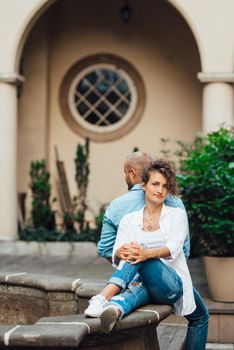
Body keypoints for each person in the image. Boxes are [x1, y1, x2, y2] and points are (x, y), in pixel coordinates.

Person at [86, 156, 209, 350]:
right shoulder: (129, 219)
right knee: (137, 280)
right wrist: (121, 251)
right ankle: (115, 308)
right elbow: (116, 254)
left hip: (170, 283)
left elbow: (175, 248)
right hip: (141, 281)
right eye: (155, 184)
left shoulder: (175, 213)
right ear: (143, 184)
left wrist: (145, 253)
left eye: (165, 186)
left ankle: (104, 296)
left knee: (138, 251)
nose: (160, 190)